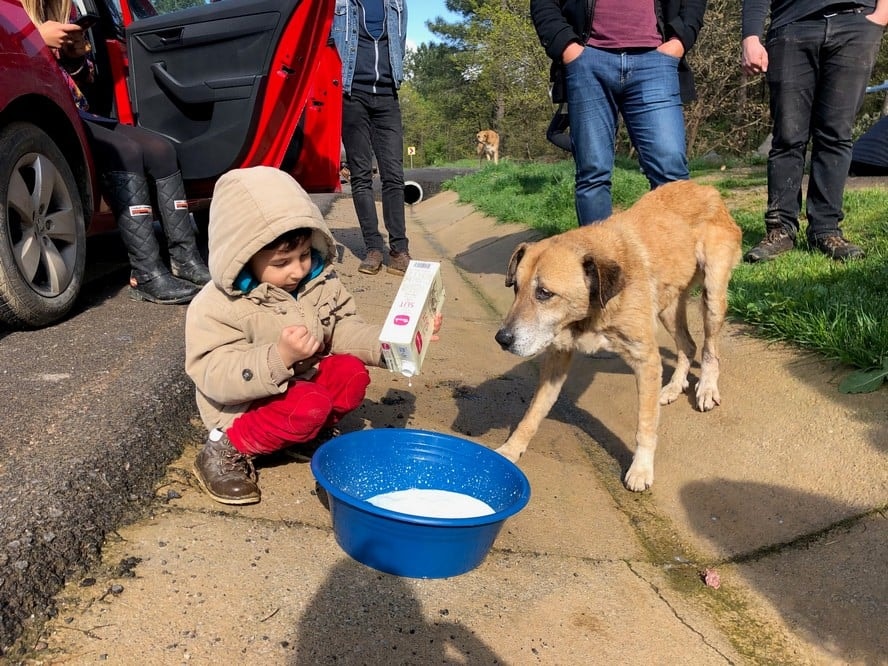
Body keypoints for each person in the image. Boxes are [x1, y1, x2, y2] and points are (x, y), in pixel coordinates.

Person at [185, 167, 439, 505]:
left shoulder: (319, 282)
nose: (298, 270)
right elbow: (213, 373)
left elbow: (343, 327)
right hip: (242, 407)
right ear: (242, 257)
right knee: (309, 405)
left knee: (350, 375)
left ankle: (302, 436)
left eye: (304, 254)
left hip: (301, 388)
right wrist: (279, 357)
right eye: (282, 262)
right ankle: (225, 449)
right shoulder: (219, 304)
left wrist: (392, 342)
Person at [22, 0, 210, 303]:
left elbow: (86, 78)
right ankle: (146, 273)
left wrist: (75, 55)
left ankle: (185, 259)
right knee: (126, 152)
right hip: (52, 114)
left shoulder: (66, 11)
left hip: (80, 110)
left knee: (162, 150)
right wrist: (34, 38)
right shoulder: (13, 15)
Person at [530, 0, 707, 226]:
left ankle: (676, 259)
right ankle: (601, 261)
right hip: (587, 61)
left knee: (671, 172)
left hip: (655, 60)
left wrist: (679, 41)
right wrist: (567, 47)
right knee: (592, 173)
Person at [741, 0, 888, 262]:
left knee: (836, 134)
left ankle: (826, 229)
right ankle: (780, 229)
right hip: (791, 26)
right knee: (787, 135)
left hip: (855, 23)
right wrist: (751, 36)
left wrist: (881, 15)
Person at [332, 0, 412, 276]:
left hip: (388, 95)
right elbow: (328, 42)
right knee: (361, 176)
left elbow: (399, 41)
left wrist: (395, 77)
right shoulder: (339, 3)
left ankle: (399, 249)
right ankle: (373, 248)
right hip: (352, 95)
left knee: (393, 174)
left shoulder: (397, 3)